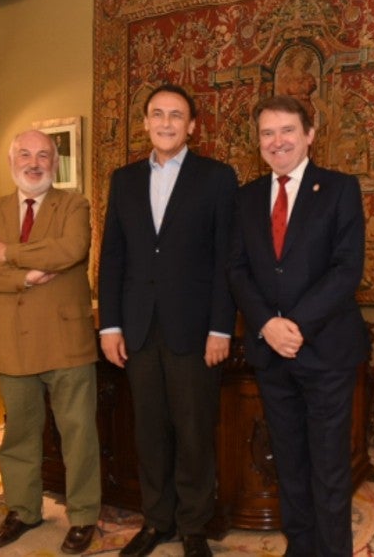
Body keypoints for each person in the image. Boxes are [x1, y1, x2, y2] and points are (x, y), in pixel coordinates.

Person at [98, 84, 238, 557]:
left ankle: (194, 526)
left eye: (176, 115)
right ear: (144, 123)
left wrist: (222, 327)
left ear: (192, 125)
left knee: (194, 430)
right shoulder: (124, 179)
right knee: (149, 430)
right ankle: (157, 521)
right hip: (137, 328)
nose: (165, 122)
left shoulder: (218, 178)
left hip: (195, 331)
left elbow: (226, 259)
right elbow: (112, 257)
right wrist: (109, 325)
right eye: (157, 114)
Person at [228, 94, 368, 557]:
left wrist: (294, 325)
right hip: (271, 354)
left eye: (287, 130)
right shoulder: (246, 198)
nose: (277, 140)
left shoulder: (340, 188)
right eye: (267, 133)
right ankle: (300, 547)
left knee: (329, 468)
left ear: (309, 134)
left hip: (325, 350)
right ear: (258, 142)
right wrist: (267, 324)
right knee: (288, 461)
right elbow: (238, 270)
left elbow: (346, 270)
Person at [0, 130, 101, 553]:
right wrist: (23, 277)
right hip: (10, 340)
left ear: (55, 163)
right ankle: (23, 509)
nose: (33, 162)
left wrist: (10, 255)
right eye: (25, 154)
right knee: (18, 433)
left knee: (77, 433)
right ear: (11, 161)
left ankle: (83, 515)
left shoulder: (74, 204)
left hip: (65, 339)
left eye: (43, 155)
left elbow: (71, 249)